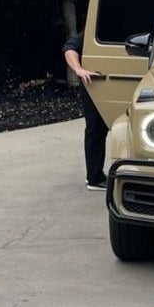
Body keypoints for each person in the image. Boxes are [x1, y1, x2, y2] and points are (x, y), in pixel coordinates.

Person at [63, 32, 108, 190]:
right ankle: (94, 178)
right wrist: (78, 69)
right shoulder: (93, 29)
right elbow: (69, 48)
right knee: (95, 127)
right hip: (93, 82)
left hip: (111, 79)